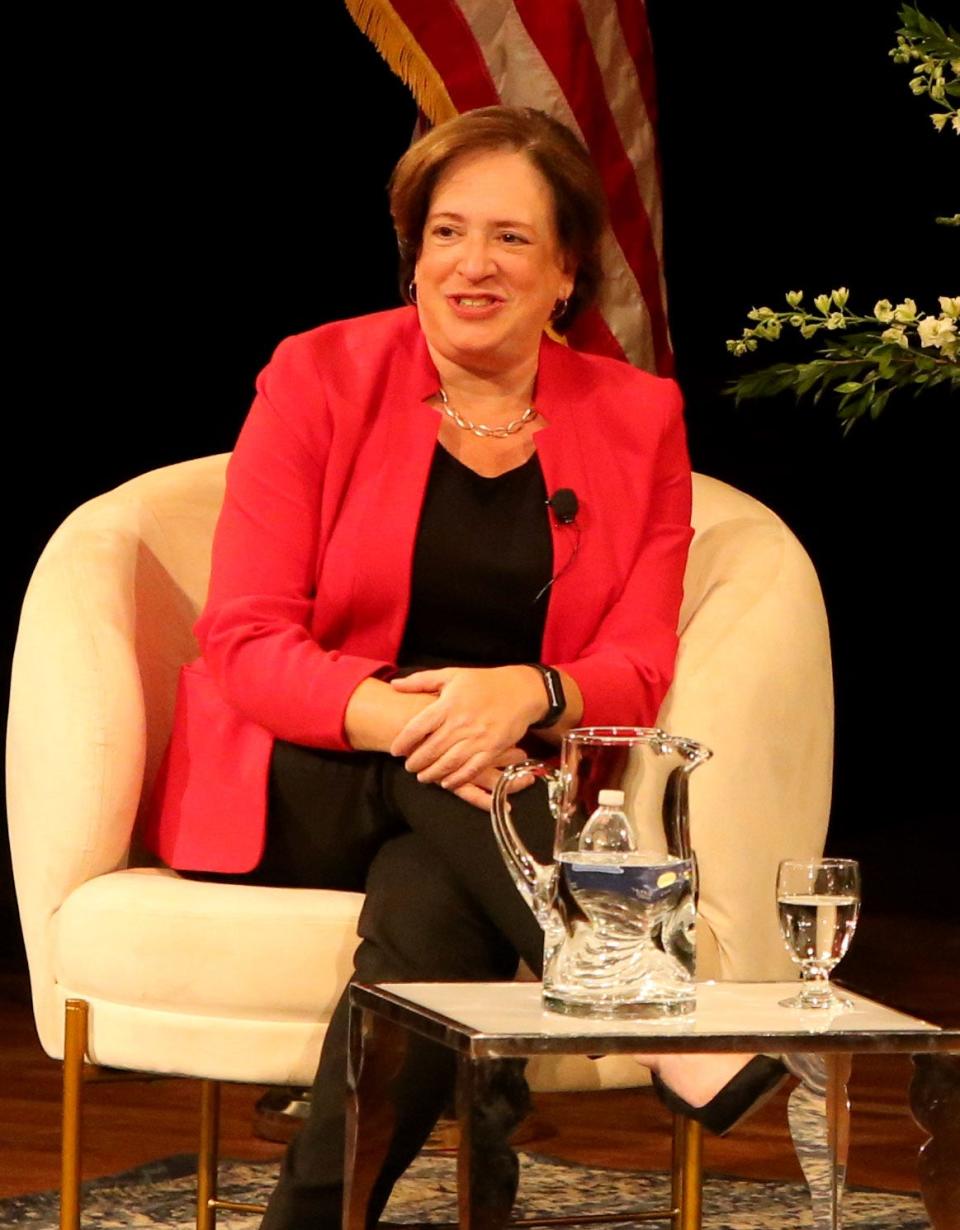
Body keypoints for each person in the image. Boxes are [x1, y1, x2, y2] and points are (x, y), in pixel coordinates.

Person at [144, 105, 785, 1229]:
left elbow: (636, 660)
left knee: (429, 919)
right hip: (309, 767)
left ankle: (305, 1222)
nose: (470, 266)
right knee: (440, 766)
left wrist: (529, 693)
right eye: (446, 233)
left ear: (566, 270)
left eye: (509, 239)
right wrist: (407, 721)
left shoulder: (639, 418)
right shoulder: (318, 375)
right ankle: (649, 997)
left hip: (496, 795)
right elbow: (246, 640)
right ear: (414, 248)